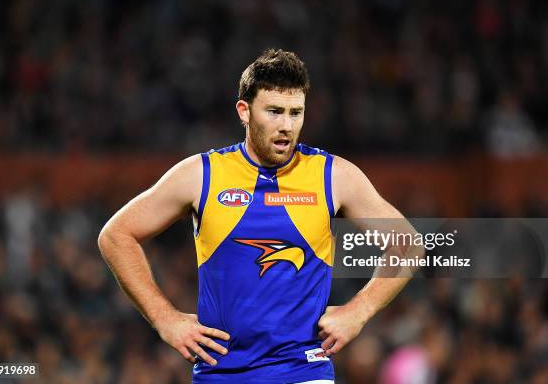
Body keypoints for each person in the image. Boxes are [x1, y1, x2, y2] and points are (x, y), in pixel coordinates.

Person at [98, 49, 415, 383]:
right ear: (244, 111)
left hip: (303, 370)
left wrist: (359, 311)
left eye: (296, 113)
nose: (286, 126)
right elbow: (116, 236)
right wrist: (165, 320)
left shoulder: (333, 176)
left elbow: (407, 244)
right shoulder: (202, 175)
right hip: (219, 373)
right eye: (274, 111)